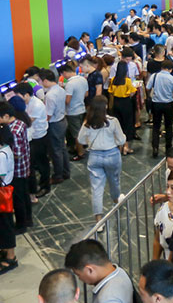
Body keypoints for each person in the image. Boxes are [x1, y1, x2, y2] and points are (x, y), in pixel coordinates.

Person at [77, 96, 126, 229]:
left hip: (94, 156)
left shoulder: (87, 123)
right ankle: (116, 200)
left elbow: (81, 140)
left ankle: (99, 221)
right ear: (105, 107)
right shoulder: (113, 121)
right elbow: (121, 140)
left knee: (96, 189)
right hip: (112, 155)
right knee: (114, 180)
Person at [0, 101, 32, 234]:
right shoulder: (19, 123)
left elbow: (18, 154)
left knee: (18, 199)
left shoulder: (13, 131)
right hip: (24, 166)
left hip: (17, 170)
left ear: (6, 116)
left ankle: (21, 225)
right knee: (24, 195)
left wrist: (5, 154)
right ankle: (28, 219)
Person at [65, 239, 133, 303]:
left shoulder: (107, 299)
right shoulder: (118, 271)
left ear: (90, 270)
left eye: (78, 275)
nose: (80, 279)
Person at [13, 82, 50, 198]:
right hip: (32, 137)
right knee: (35, 163)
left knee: (42, 163)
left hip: (39, 137)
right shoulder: (27, 103)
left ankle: (45, 186)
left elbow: (27, 122)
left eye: (18, 96)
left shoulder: (37, 105)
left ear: (26, 95)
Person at [0, 123, 17, 276]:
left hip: (0, 194)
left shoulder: (1, 155)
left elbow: (0, 178)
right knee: (0, 225)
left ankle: (11, 257)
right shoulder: (1, 149)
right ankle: (5, 250)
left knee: (5, 225)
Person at [39, 68, 70, 184]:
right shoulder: (60, 89)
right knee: (62, 149)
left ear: (45, 81)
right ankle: (65, 172)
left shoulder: (50, 95)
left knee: (55, 151)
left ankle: (58, 176)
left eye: (40, 81)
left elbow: (48, 115)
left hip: (54, 125)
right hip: (62, 120)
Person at [147, 59, 173, 156]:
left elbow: (148, 87)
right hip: (168, 104)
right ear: (171, 69)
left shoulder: (154, 76)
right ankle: (168, 147)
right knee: (168, 126)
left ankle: (155, 148)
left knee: (156, 126)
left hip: (156, 103)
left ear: (161, 67)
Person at [58, 63, 88, 161]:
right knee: (80, 131)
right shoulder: (83, 79)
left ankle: (80, 153)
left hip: (72, 112)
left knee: (76, 134)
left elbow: (67, 101)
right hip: (82, 109)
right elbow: (86, 94)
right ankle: (78, 148)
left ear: (65, 72)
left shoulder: (70, 84)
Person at [108, 60, 136, 156]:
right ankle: (126, 147)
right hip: (126, 103)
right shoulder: (127, 81)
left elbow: (111, 92)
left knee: (119, 125)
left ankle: (119, 146)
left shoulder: (113, 80)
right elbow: (132, 92)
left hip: (116, 103)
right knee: (127, 124)